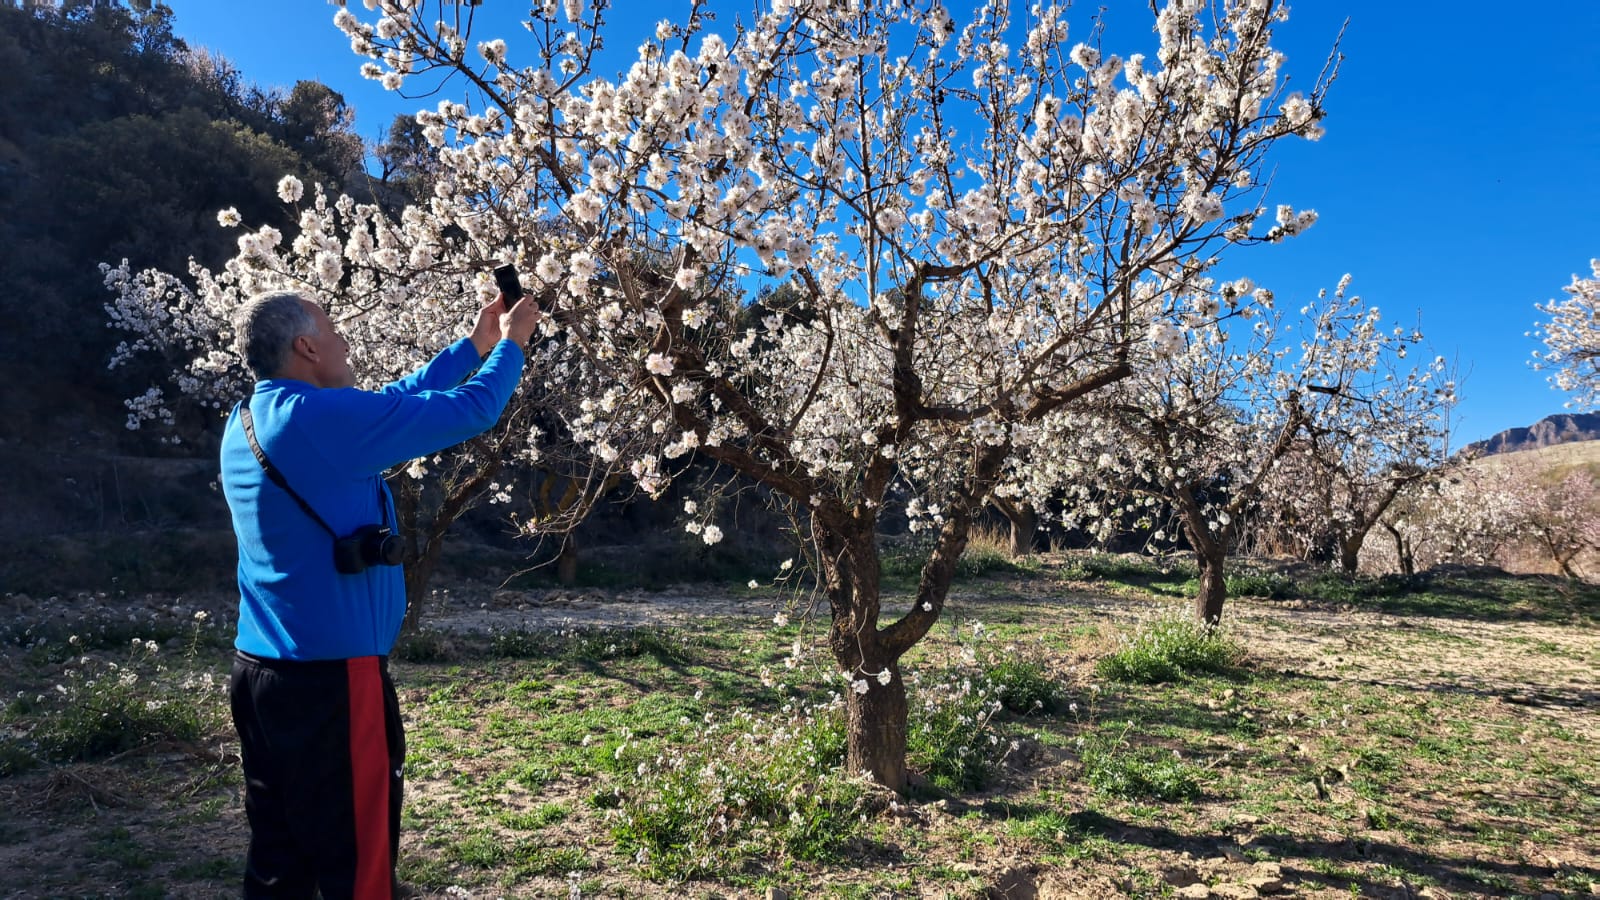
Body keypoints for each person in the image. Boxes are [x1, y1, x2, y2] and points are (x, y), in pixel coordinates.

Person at [219, 287, 540, 898]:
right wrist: (512, 344)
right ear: (306, 346)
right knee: (358, 866)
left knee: (279, 857)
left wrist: (475, 344)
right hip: (332, 684)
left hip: (261, 674)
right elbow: (472, 410)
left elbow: (393, 401)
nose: (346, 343)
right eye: (334, 332)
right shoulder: (315, 419)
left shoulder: (247, 421)